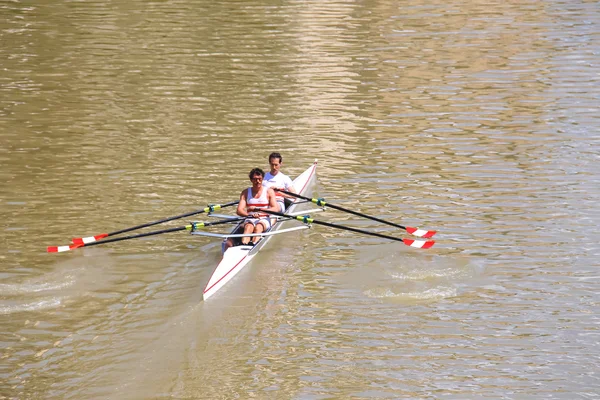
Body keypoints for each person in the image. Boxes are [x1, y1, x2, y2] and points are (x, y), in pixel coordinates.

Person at [224, 168, 279, 250]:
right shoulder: (245, 192)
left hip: (264, 218)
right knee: (248, 227)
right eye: (255, 179)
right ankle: (243, 246)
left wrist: (260, 211)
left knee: (258, 227)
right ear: (251, 180)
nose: (258, 181)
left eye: (260, 179)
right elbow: (239, 210)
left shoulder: (269, 191)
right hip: (250, 217)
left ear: (262, 179)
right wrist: (249, 215)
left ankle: (254, 245)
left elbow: (276, 208)